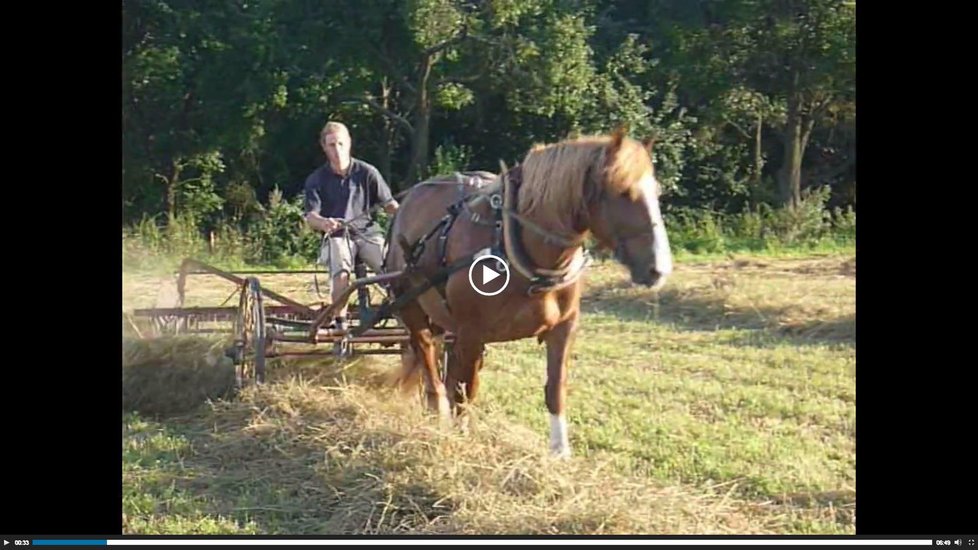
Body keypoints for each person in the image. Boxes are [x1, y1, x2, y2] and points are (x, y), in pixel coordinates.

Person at [303, 121, 398, 333]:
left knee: (391, 270)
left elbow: (389, 204)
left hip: (368, 234)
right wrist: (324, 223)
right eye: (332, 145)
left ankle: (403, 312)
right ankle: (340, 322)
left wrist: (408, 214)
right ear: (324, 147)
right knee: (341, 271)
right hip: (337, 235)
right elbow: (311, 216)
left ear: (349, 144)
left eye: (340, 143)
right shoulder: (316, 179)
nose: (337, 150)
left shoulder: (367, 172)